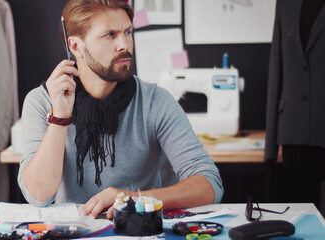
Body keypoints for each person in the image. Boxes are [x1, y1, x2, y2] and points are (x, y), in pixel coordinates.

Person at [18, 0, 223, 219]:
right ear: (75, 47)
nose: (124, 44)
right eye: (110, 35)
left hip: (140, 230)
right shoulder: (40, 102)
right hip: (73, 231)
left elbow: (210, 184)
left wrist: (133, 199)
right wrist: (60, 116)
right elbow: (38, 196)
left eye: (127, 32)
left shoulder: (156, 101)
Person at [265, 0, 325, 212]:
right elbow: (276, 69)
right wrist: (270, 147)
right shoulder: (285, 3)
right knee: (298, 221)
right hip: (293, 133)